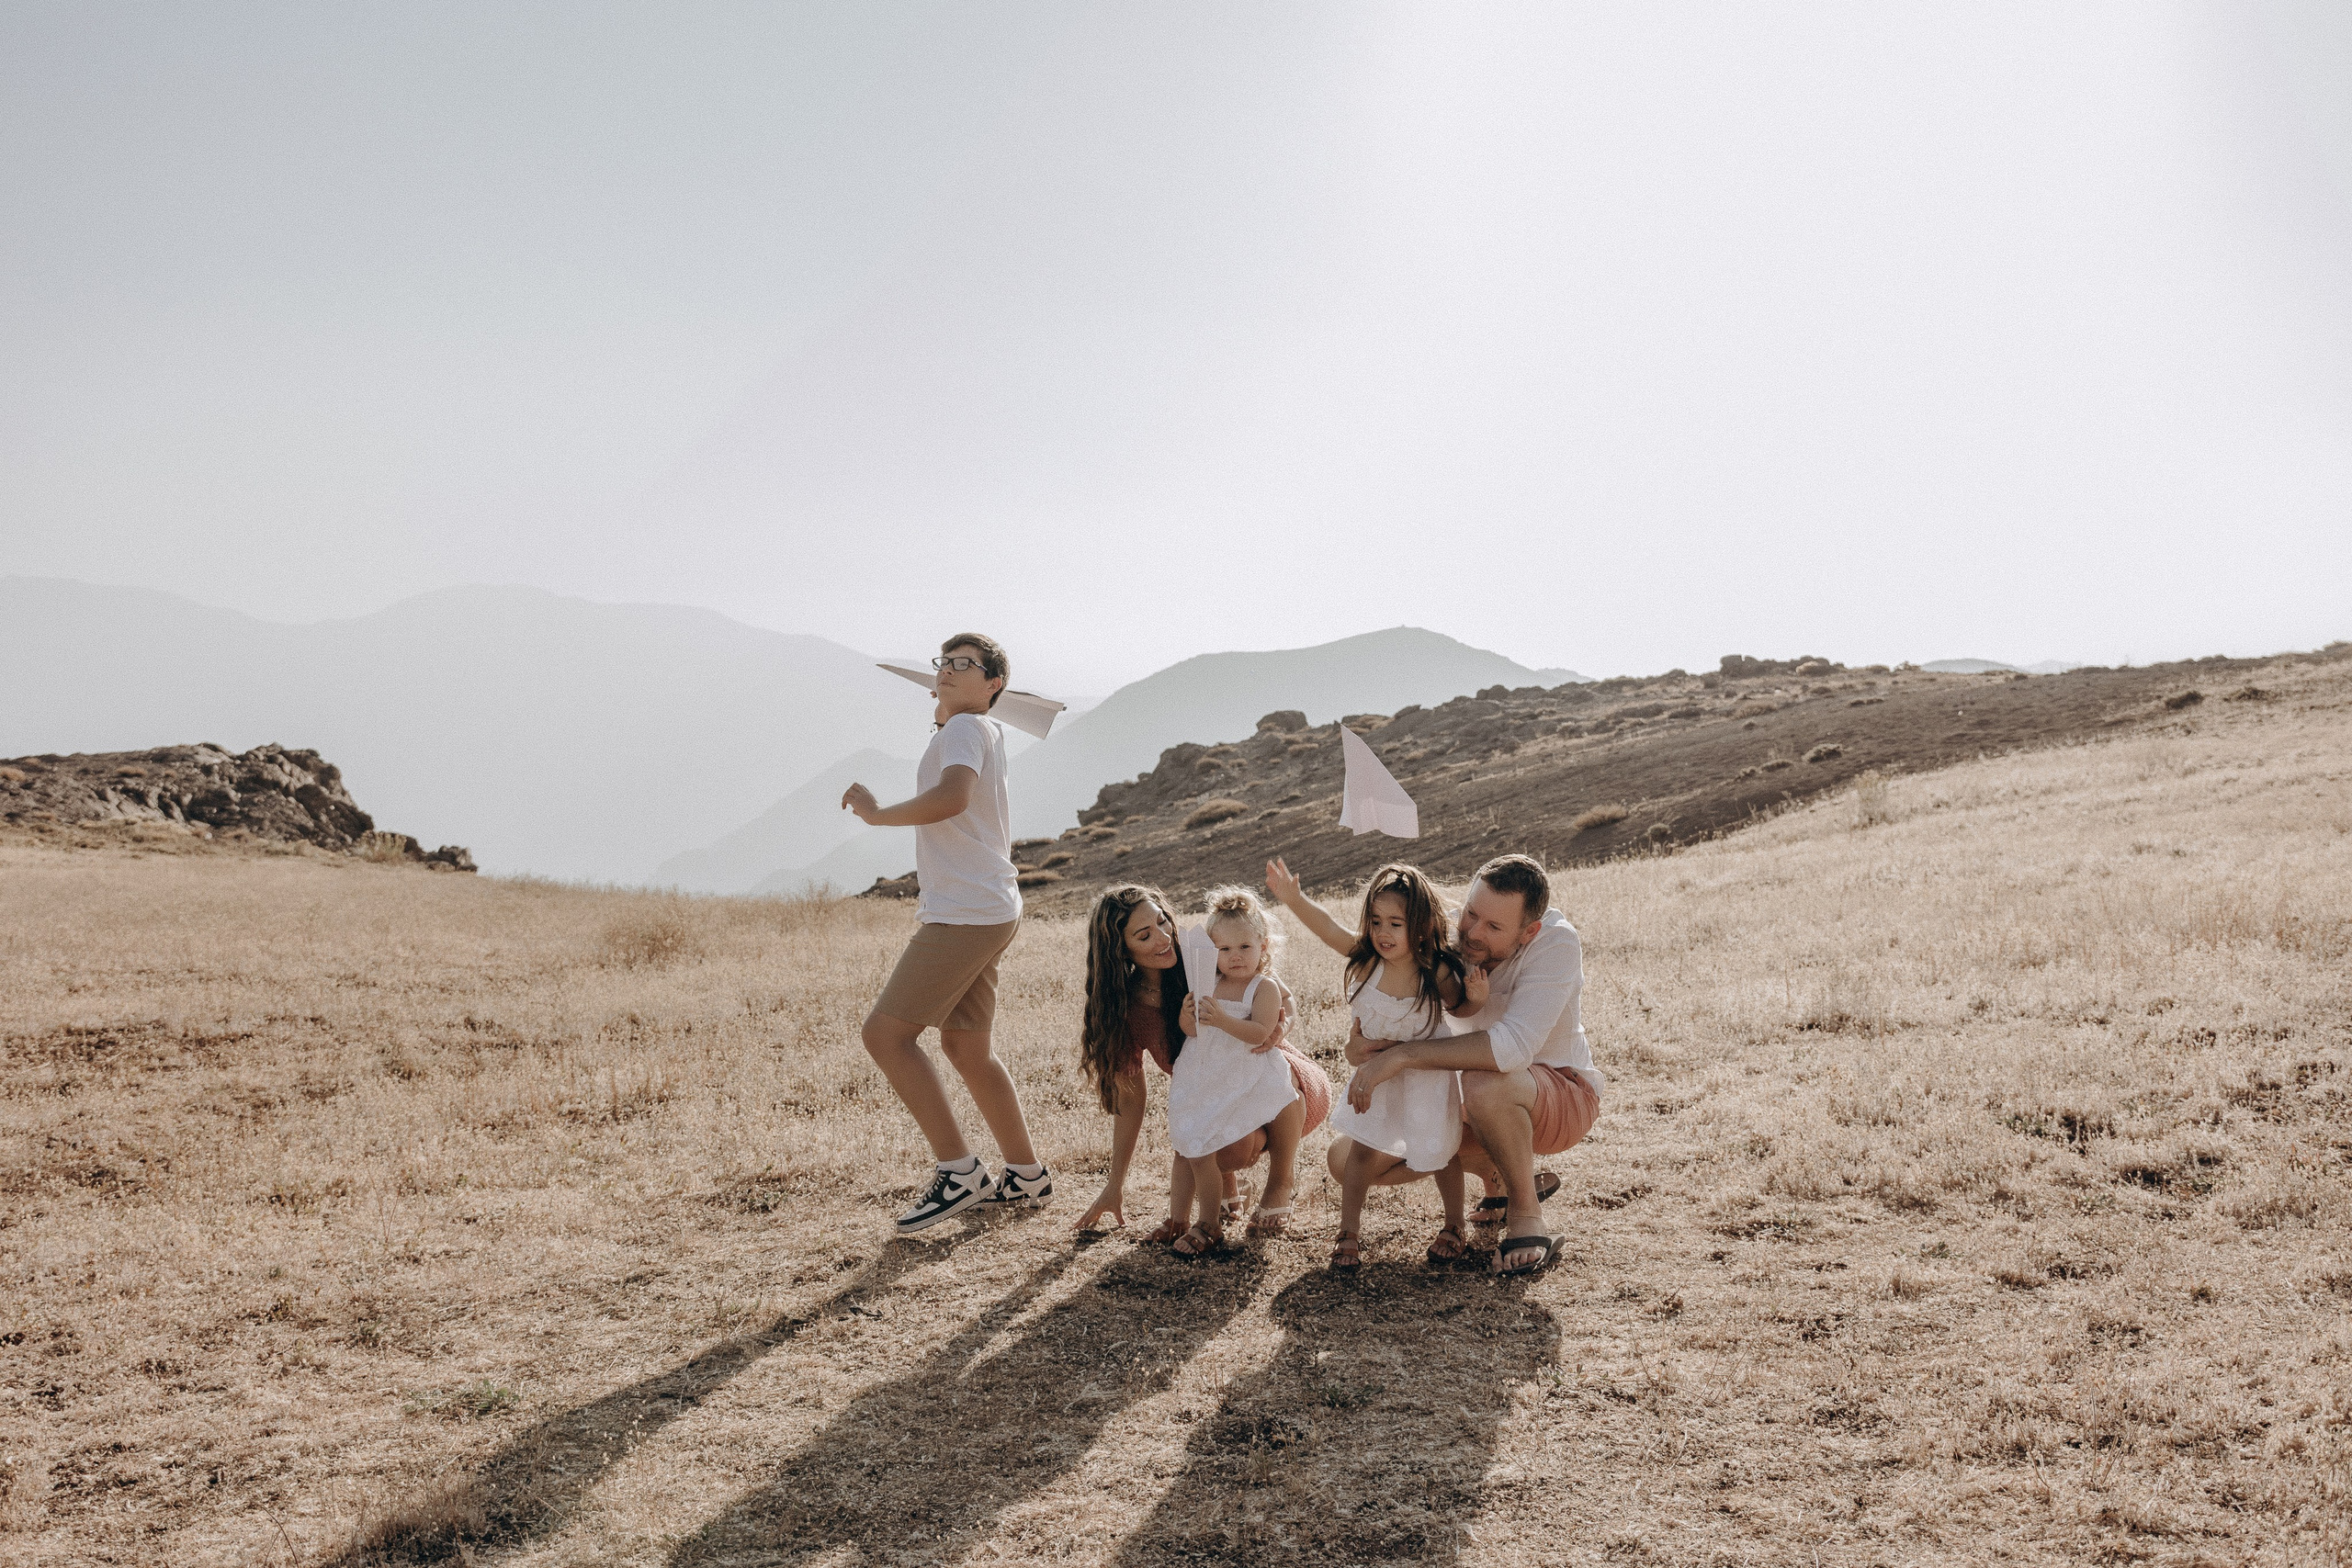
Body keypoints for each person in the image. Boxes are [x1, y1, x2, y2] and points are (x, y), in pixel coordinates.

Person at [1289, 852, 1600, 1275]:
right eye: (1472, 912)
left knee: (1485, 1082)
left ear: (1529, 931)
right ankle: (1501, 1179)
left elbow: (1511, 1050)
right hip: (1463, 1100)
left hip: (1558, 1094)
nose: (1471, 931)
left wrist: (1401, 1057)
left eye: (1493, 927)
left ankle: (1527, 1219)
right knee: (1345, 1162)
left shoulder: (1557, 943)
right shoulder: (1442, 935)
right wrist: (1362, 1048)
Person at [842, 634, 1051, 1235]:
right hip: (989, 905)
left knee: (886, 1036)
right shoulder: (970, 729)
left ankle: (959, 1171)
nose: (951, 670)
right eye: (945, 663)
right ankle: (1026, 1174)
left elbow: (953, 797)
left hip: (964, 912)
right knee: (966, 1048)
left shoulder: (967, 727)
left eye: (967, 664)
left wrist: (881, 814)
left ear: (993, 686)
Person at [1073, 885, 1330, 1242]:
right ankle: (1223, 1190)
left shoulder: (1203, 955)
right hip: (1212, 1091)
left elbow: (1277, 991)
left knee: (1247, 1131)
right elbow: (1129, 1099)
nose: (1164, 938)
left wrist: (1279, 1027)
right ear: (1121, 949)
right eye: (1145, 935)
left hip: (1265, 1068)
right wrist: (1114, 1185)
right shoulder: (1126, 1008)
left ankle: (1280, 1180)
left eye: (1163, 922)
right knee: (1201, 1143)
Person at [1265, 862, 1474, 1269]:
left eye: (1396, 923)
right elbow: (1328, 928)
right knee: (1361, 1149)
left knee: (1443, 1152)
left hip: (1427, 1079)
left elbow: (1463, 1008)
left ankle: (1453, 1224)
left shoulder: (1436, 970)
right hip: (1377, 1080)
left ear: (1419, 925)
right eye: (1376, 921)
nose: (1383, 932)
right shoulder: (1366, 961)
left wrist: (1479, 997)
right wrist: (1293, 899)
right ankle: (1349, 1230)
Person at [1165, 887, 1298, 1258]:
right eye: (1224, 950)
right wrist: (1186, 1016)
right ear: (1211, 952)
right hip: (1203, 1076)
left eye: (1245, 947)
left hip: (1243, 1075)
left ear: (1263, 945)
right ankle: (1186, 1217)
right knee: (1190, 1145)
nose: (1235, 957)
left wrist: (1222, 1020)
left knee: (1206, 1144)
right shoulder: (1209, 983)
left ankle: (1209, 1223)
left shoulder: (1264, 986)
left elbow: (1260, 1032)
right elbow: (1193, 1031)